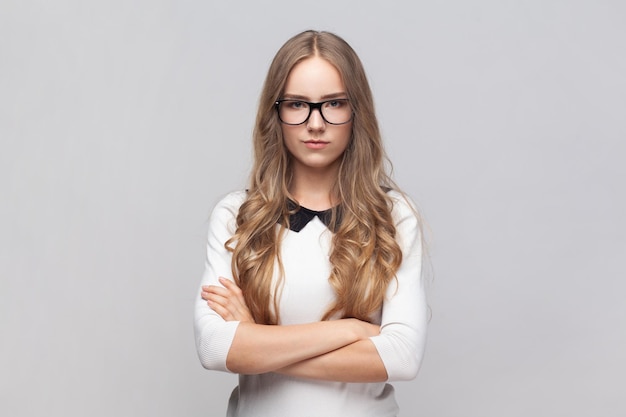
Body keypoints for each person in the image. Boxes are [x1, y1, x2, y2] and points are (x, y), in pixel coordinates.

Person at [194, 30, 428, 417]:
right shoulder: (237, 215)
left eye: (333, 103)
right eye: (297, 104)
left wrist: (256, 343)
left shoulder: (393, 216)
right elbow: (215, 349)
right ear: (276, 112)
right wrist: (350, 330)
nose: (315, 123)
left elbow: (402, 357)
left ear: (357, 111)